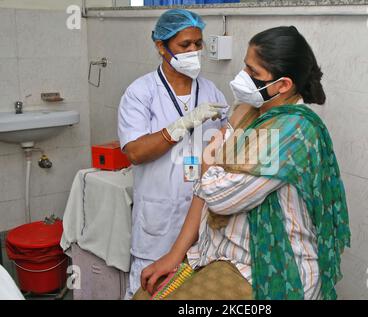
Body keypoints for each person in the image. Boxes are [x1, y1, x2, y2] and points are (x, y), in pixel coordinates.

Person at [137, 25, 351, 300]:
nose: (243, 77)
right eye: (245, 67)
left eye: (254, 73)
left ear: (283, 85)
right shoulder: (252, 112)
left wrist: (210, 158)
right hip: (222, 254)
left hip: (271, 269)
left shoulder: (292, 131)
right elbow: (203, 189)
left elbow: (218, 196)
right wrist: (175, 255)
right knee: (144, 296)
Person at [117, 9, 229, 299]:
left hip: (202, 219)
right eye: (184, 45)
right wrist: (181, 125)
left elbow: (224, 150)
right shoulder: (141, 93)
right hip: (159, 218)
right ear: (160, 46)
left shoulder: (211, 91)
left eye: (198, 43)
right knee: (149, 290)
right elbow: (135, 152)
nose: (193, 51)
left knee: (192, 294)